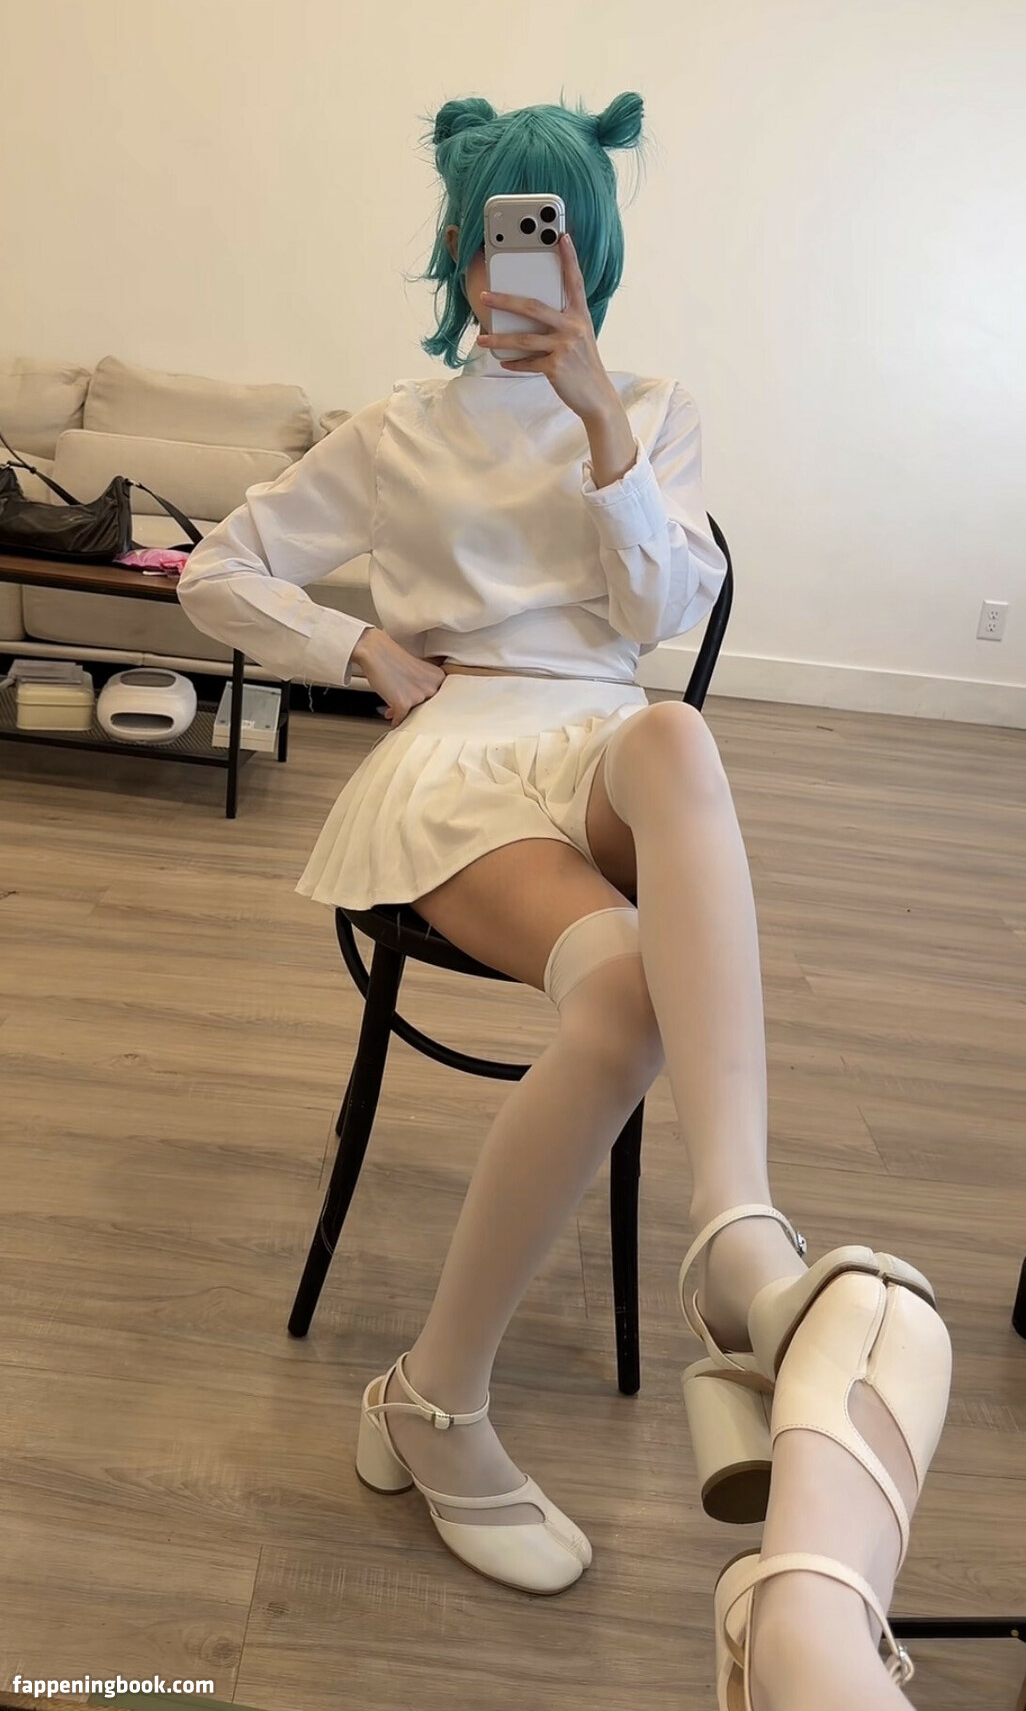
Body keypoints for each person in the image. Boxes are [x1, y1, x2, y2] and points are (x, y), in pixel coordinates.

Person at [177, 92, 951, 1710]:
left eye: (547, 237)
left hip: (601, 735)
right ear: (461, 256)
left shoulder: (654, 412)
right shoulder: (397, 427)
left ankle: (731, 1228)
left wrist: (600, 416)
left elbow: (655, 613)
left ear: (586, 253)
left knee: (675, 733)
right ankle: (432, 1396)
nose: (516, 268)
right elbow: (215, 568)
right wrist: (355, 645)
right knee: (621, 1005)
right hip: (458, 756)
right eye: (492, 238)